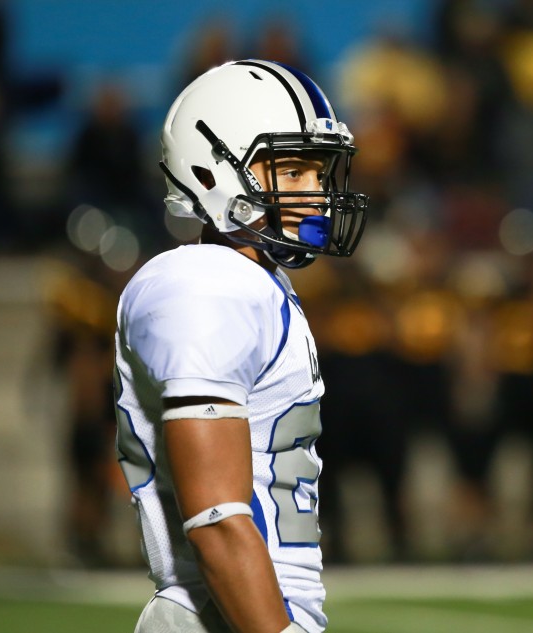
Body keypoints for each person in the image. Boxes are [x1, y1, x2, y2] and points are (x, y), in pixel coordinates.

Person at [113, 60, 368, 633]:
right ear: (212, 172)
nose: (321, 196)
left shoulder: (252, 282)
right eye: (295, 171)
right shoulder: (203, 285)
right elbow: (217, 518)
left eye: (321, 174)